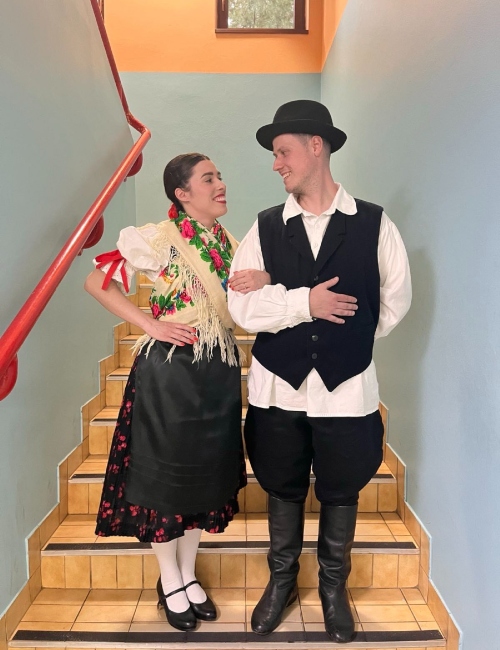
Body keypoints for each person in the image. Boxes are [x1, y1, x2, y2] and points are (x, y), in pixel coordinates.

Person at [228, 100, 412, 643]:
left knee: (342, 486)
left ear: (316, 146)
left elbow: (394, 300)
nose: (276, 164)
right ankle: (282, 581)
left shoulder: (374, 223)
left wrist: (347, 339)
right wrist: (304, 303)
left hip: (347, 390)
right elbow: (241, 306)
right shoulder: (265, 227)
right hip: (277, 388)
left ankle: (333, 587)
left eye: (282, 151)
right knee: (281, 485)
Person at [84, 153, 269, 631]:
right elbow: (95, 281)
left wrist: (265, 279)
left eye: (220, 176)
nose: (220, 184)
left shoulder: (229, 242)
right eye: (209, 179)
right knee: (166, 482)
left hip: (217, 372)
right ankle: (170, 580)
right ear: (182, 194)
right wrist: (149, 323)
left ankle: (188, 574)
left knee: (201, 479)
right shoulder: (157, 238)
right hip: (170, 373)